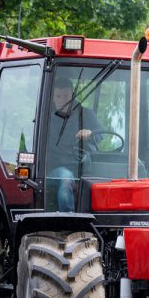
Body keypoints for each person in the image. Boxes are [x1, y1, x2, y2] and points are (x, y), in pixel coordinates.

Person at [47, 78, 103, 212]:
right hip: (53, 169)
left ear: (72, 95)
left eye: (66, 96)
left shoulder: (86, 114)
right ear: (53, 98)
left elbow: (101, 134)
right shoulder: (46, 116)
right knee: (66, 178)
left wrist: (90, 133)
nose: (62, 100)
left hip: (81, 166)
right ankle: (68, 219)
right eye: (58, 96)